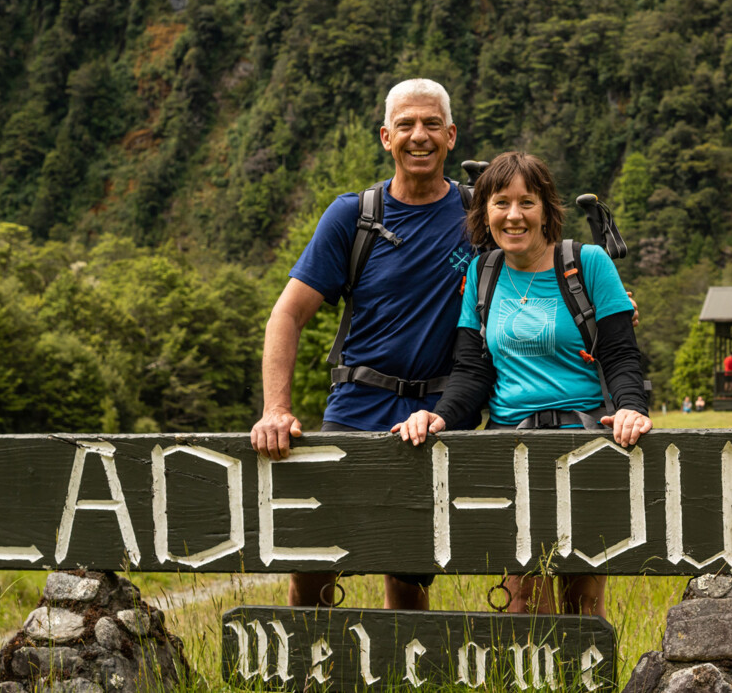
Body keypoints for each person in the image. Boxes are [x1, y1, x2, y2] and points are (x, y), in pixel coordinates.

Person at [393, 150, 652, 618]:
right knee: (524, 610)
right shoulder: (482, 273)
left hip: (584, 445)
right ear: (484, 212)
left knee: (582, 609)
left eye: (526, 203)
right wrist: (442, 415)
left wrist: (632, 406)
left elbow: (619, 354)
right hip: (510, 449)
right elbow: (472, 371)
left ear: (547, 210)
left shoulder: (587, 263)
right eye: (500, 203)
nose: (514, 215)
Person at [249, 78, 474, 611]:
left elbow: (536, 266)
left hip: (439, 413)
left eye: (430, 124)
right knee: (313, 559)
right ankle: (308, 673)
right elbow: (287, 314)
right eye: (406, 125)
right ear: (385, 136)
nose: (419, 135)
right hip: (355, 407)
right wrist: (276, 409)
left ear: (451, 135)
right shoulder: (354, 216)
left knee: (411, 570)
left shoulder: (477, 217)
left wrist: (600, 292)